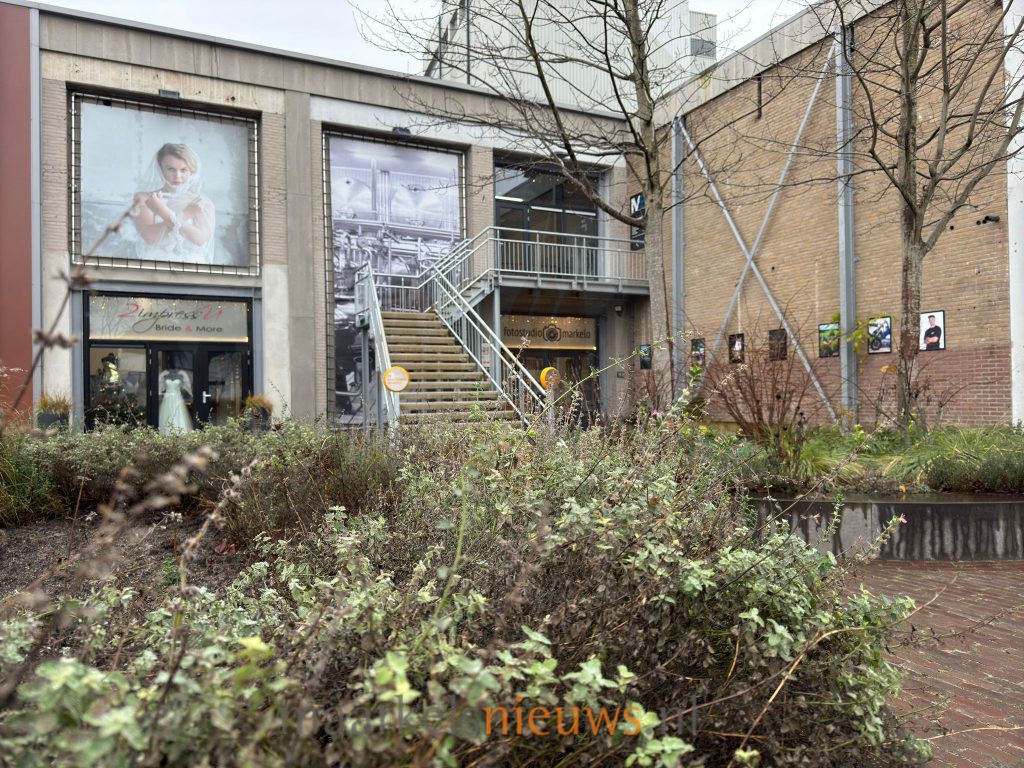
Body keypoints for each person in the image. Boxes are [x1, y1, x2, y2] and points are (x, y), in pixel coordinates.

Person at [128, 143, 215, 263]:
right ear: (160, 168)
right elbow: (150, 238)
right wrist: (187, 214)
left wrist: (163, 212)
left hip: (193, 266)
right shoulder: (145, 198)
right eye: (171, 169)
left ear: (192, 171)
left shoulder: (201, 202)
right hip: (155, 264)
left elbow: (199, 240)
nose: (177, 176)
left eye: (184, 170)